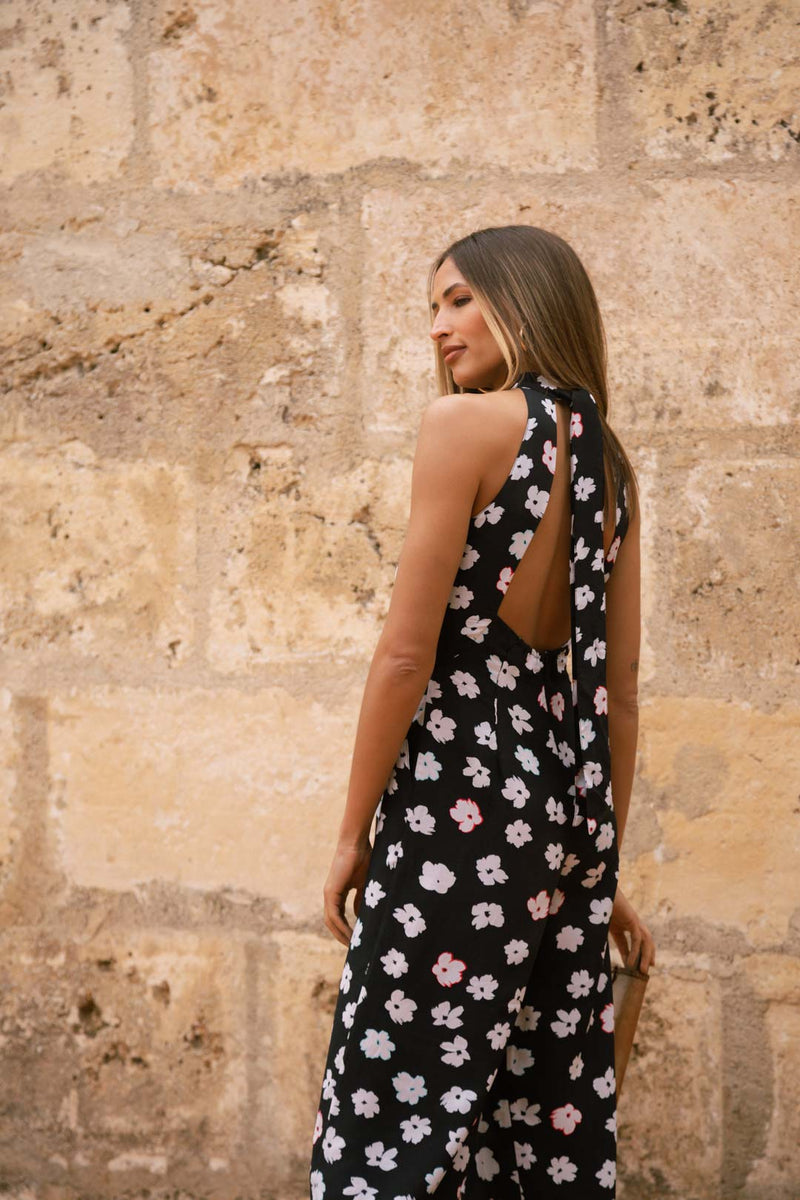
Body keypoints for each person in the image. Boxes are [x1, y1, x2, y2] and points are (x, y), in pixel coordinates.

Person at [308, 224, 655, 1198]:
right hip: (551, 825)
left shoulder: (463, 428)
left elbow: (407, 655)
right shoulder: (610, 468)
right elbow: (613, 700)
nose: (437, 327)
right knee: (520, 1125)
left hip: (449, 820)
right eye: (431, 306)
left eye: (459, 298)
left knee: (394, 1109)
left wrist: (350, 834)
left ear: (526, 300)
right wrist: (589, 868)